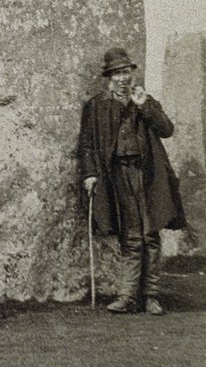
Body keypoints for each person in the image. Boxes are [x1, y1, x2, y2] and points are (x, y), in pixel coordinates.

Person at [79, 47, 185, 314]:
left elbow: (166, 130)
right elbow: (88, 145)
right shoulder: (96, 106)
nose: (123, 78)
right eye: (117, 74)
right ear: (109, 78)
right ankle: (127, 296)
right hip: (116, 176)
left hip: (147, 174)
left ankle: (151, 296)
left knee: (150, 234)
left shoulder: (144, 101)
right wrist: (90, 173)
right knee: (130, 236)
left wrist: (145, 105)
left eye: (126, 72)